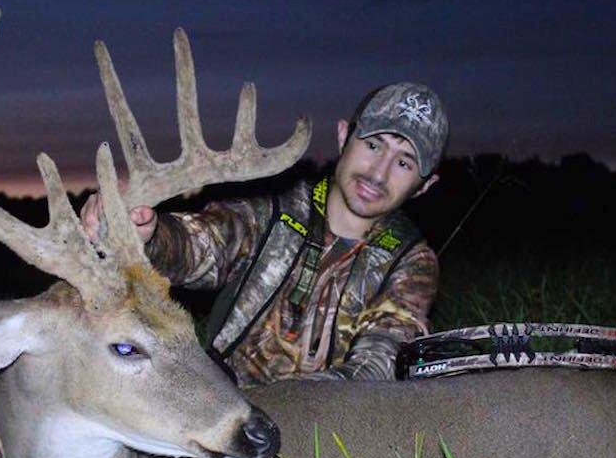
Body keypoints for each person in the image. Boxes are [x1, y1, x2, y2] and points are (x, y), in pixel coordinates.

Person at [83, 82, 449, 387]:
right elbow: (198, 244)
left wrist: (282, 408)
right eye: (373, 145)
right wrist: (147, 233)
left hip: (328, 430)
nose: (379, 173)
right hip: (217, 406)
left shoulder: (410, 262)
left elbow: (380, 365)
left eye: (404, 163)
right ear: (343, 136)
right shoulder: (272, 216)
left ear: (425, 185)